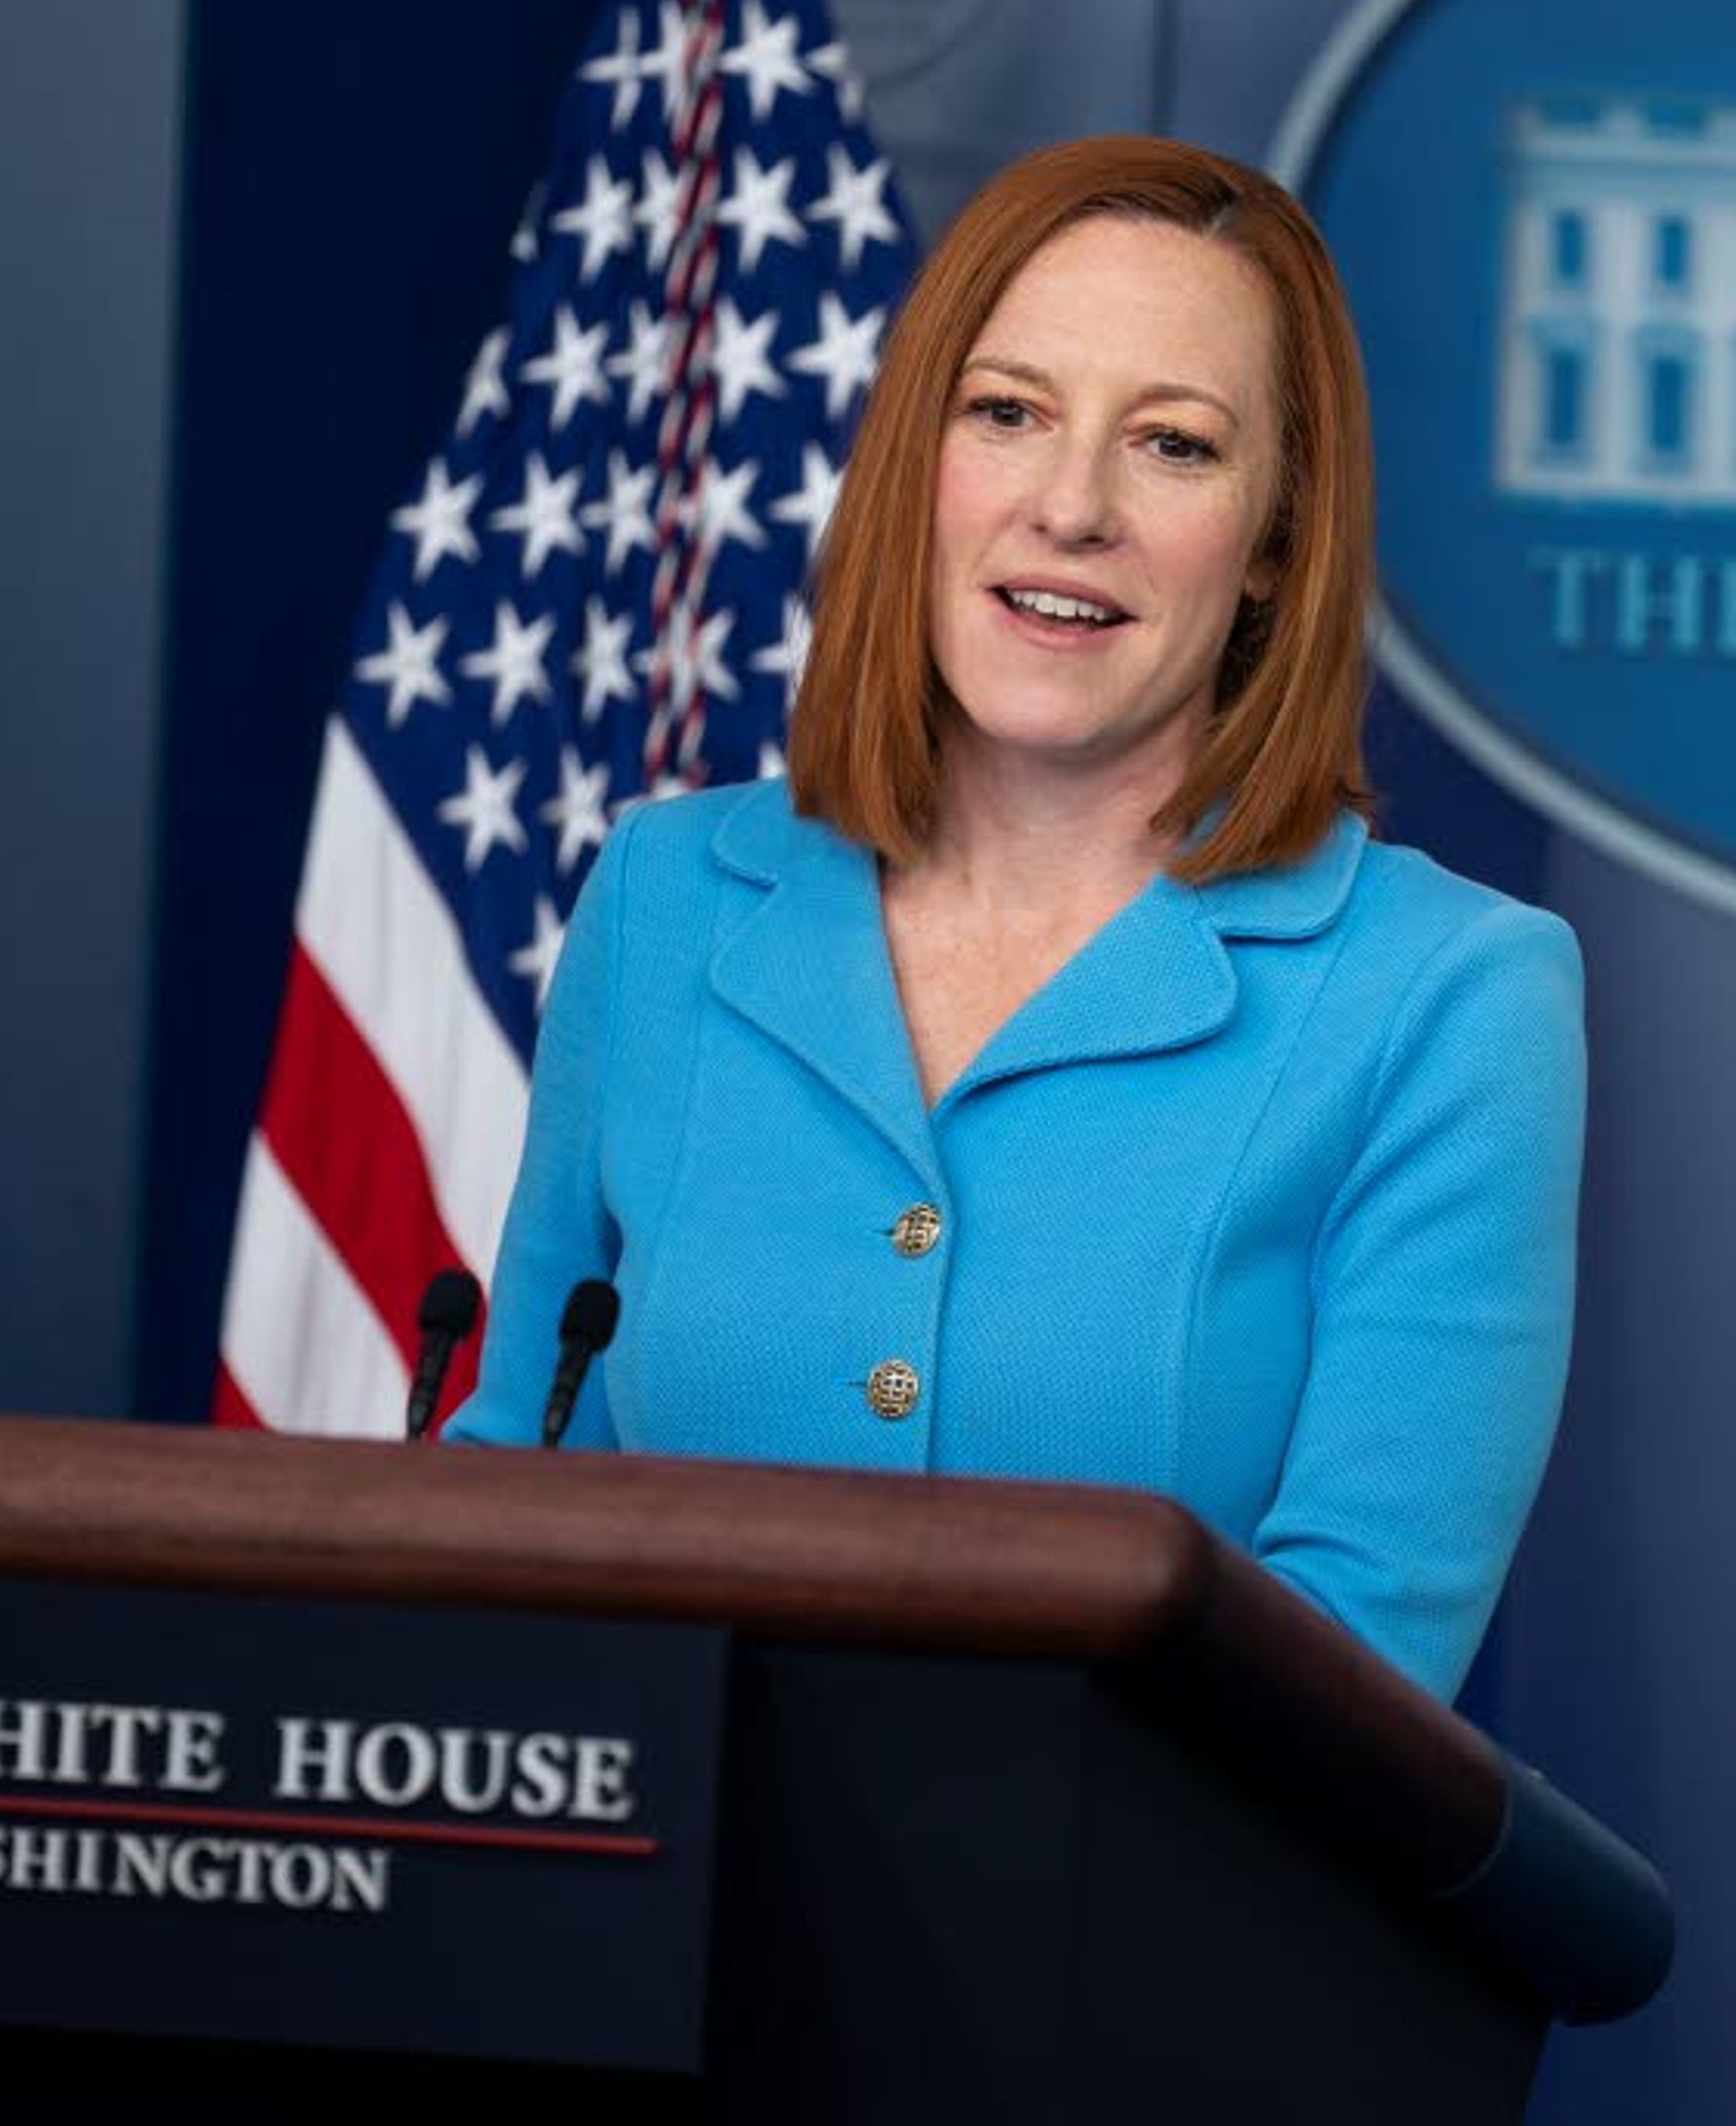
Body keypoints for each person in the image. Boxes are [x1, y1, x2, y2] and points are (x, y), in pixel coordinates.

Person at [446, 136, 1584, 1700]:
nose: (1071, 507)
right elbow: (506, 1489)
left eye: (1173, 446)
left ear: (1271, 545)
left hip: (1114, 1929)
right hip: (635, 1910)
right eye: (1008, 413)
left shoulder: (1453, 998)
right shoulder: (665, 901)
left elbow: (1357, 1676)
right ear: (920, 459)